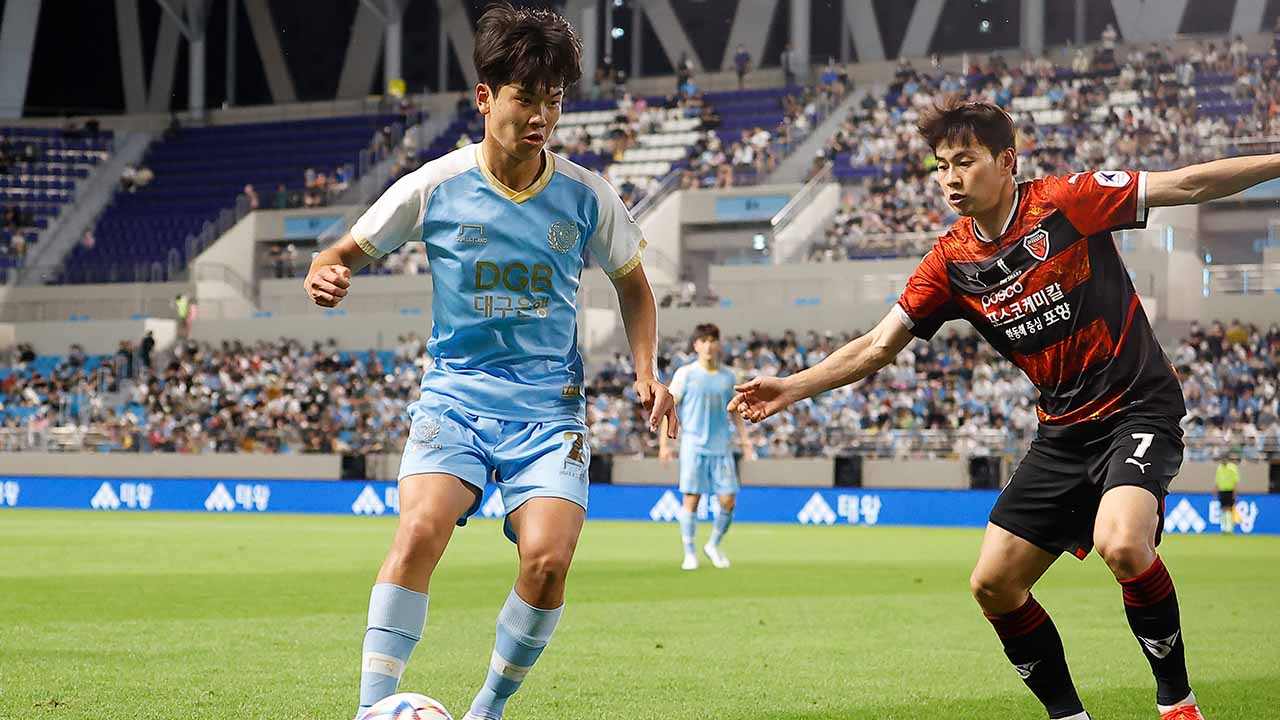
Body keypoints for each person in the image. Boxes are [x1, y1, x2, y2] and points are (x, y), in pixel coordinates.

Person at [731, 98, 1280, 720]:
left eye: (964, 162)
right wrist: (793, 386)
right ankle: (1069, 717)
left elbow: (1188, 183)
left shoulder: (1066, 202)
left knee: (1122, 543)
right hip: (1062, 431)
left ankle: (1178, 703)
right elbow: (879, 345)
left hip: (1137, 408)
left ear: (1007, 162)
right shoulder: (950, 262)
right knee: (993, 584)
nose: (950, 178)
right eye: (941, 166)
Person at [302, 3, 678, 718]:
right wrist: (326, 275)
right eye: (525, 98)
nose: (541, 116)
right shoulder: (435, 185)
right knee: (419, 530)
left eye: (553, 100)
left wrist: (645, 372)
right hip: (455, 399)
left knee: (548, 562)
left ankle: (487, 709)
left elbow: (635, 287)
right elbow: (337, 254)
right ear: (485, 98)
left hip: (549, 411)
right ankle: (373, 710)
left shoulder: (587, 196)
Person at [660, 323, 752, 570]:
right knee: (691, 499)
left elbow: (735, 412)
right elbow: (669, 407)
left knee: (728, 500)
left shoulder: (730, 377)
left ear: (718, 344)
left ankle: (713, 544)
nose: (708, 345)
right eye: (703, 341)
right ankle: (689, 553)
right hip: (693, 446)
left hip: (722, 447)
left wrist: (745, 440)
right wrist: (664, 445)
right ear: (696, 345)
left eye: (712, 340)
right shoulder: (686, 374)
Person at [1214, 455, 1239, 534]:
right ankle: (1224, 527)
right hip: (1222, 491)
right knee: (1224, 508)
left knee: (1229, 508)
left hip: (1230, 490)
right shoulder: (1219, 468)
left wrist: (1235, 492)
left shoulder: (1232, 468)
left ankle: (1229, 527)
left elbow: (1235, 481)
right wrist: (1216, 492)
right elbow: (1217, 481)